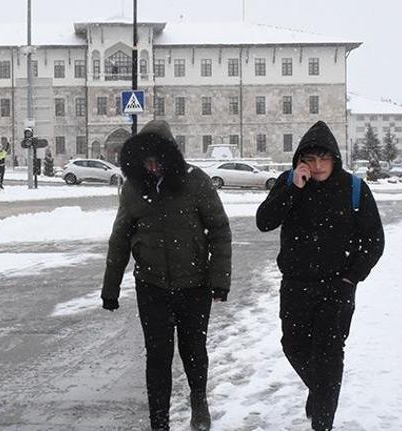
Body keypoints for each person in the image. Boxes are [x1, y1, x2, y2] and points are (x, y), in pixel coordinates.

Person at [101, 120, 232, 431]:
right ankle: (158, 421)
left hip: (194, 285)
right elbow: (120, 237)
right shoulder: (134, 188)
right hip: (151, 286)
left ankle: (198, 400)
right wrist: (111, 287)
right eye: (146, 161)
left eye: (158, 159)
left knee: (193, 349)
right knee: (158, 356)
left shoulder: (196, 182)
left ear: (171, 156)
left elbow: (219, 230)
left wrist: (219, 280)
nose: (153, 167)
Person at [256, 121, 385, 431]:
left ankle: (323, 423)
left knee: (328, 356)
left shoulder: (354, 189)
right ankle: (321, 390)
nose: (317, 166)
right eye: (310, 160)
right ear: (301, 160)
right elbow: (264, 221)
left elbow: (374, 240)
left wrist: (352, 277)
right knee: (294, 346)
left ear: (334, 158)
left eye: (323, 159)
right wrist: (292, 189)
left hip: (337, 288)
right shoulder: (289, 183)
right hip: (296, 287)